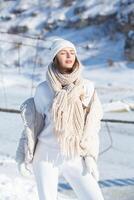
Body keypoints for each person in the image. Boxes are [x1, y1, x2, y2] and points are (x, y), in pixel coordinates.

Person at [15, 38, 104, 200]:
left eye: (72, 53)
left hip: (74, 155)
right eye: (63, 53)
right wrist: (22, 155)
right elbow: (32, 125)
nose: (69, 56)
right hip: (45, 156)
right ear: (55, 58)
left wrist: (90, 156)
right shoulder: (43, 89)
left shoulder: (87, 87)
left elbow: (92, 125)